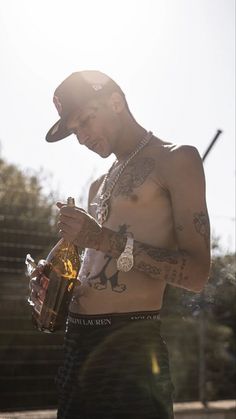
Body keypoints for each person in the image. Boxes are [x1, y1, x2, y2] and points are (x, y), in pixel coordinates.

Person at [30, 70, 211, 419]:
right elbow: (97, 269)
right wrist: (55, 284)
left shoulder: (177, 159)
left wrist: (101, 238)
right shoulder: (99, 184)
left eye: (85, 121)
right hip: (77, 346)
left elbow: (197, 274)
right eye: (74, 131)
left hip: (131, 348)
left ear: (115, 102)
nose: (81, 138)